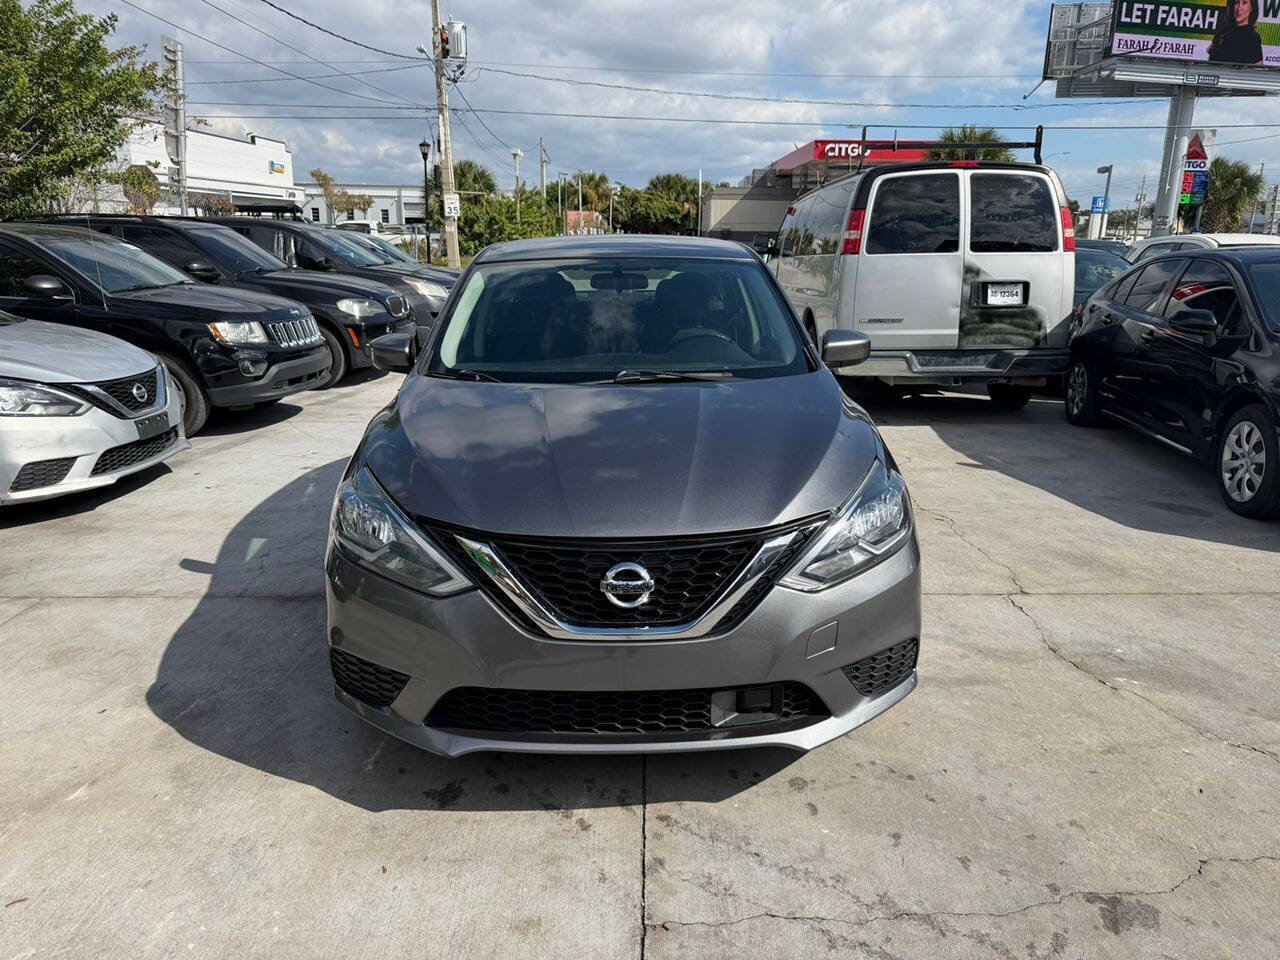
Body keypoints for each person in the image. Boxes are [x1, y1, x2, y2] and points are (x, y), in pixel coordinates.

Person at [1208, 0, 1264, 66]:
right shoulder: (1222, 31)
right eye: (1236, 2)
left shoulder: (1253, 38)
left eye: (1244, 3)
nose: (1239, 8)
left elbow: (1258, 69)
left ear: (1252, 8)